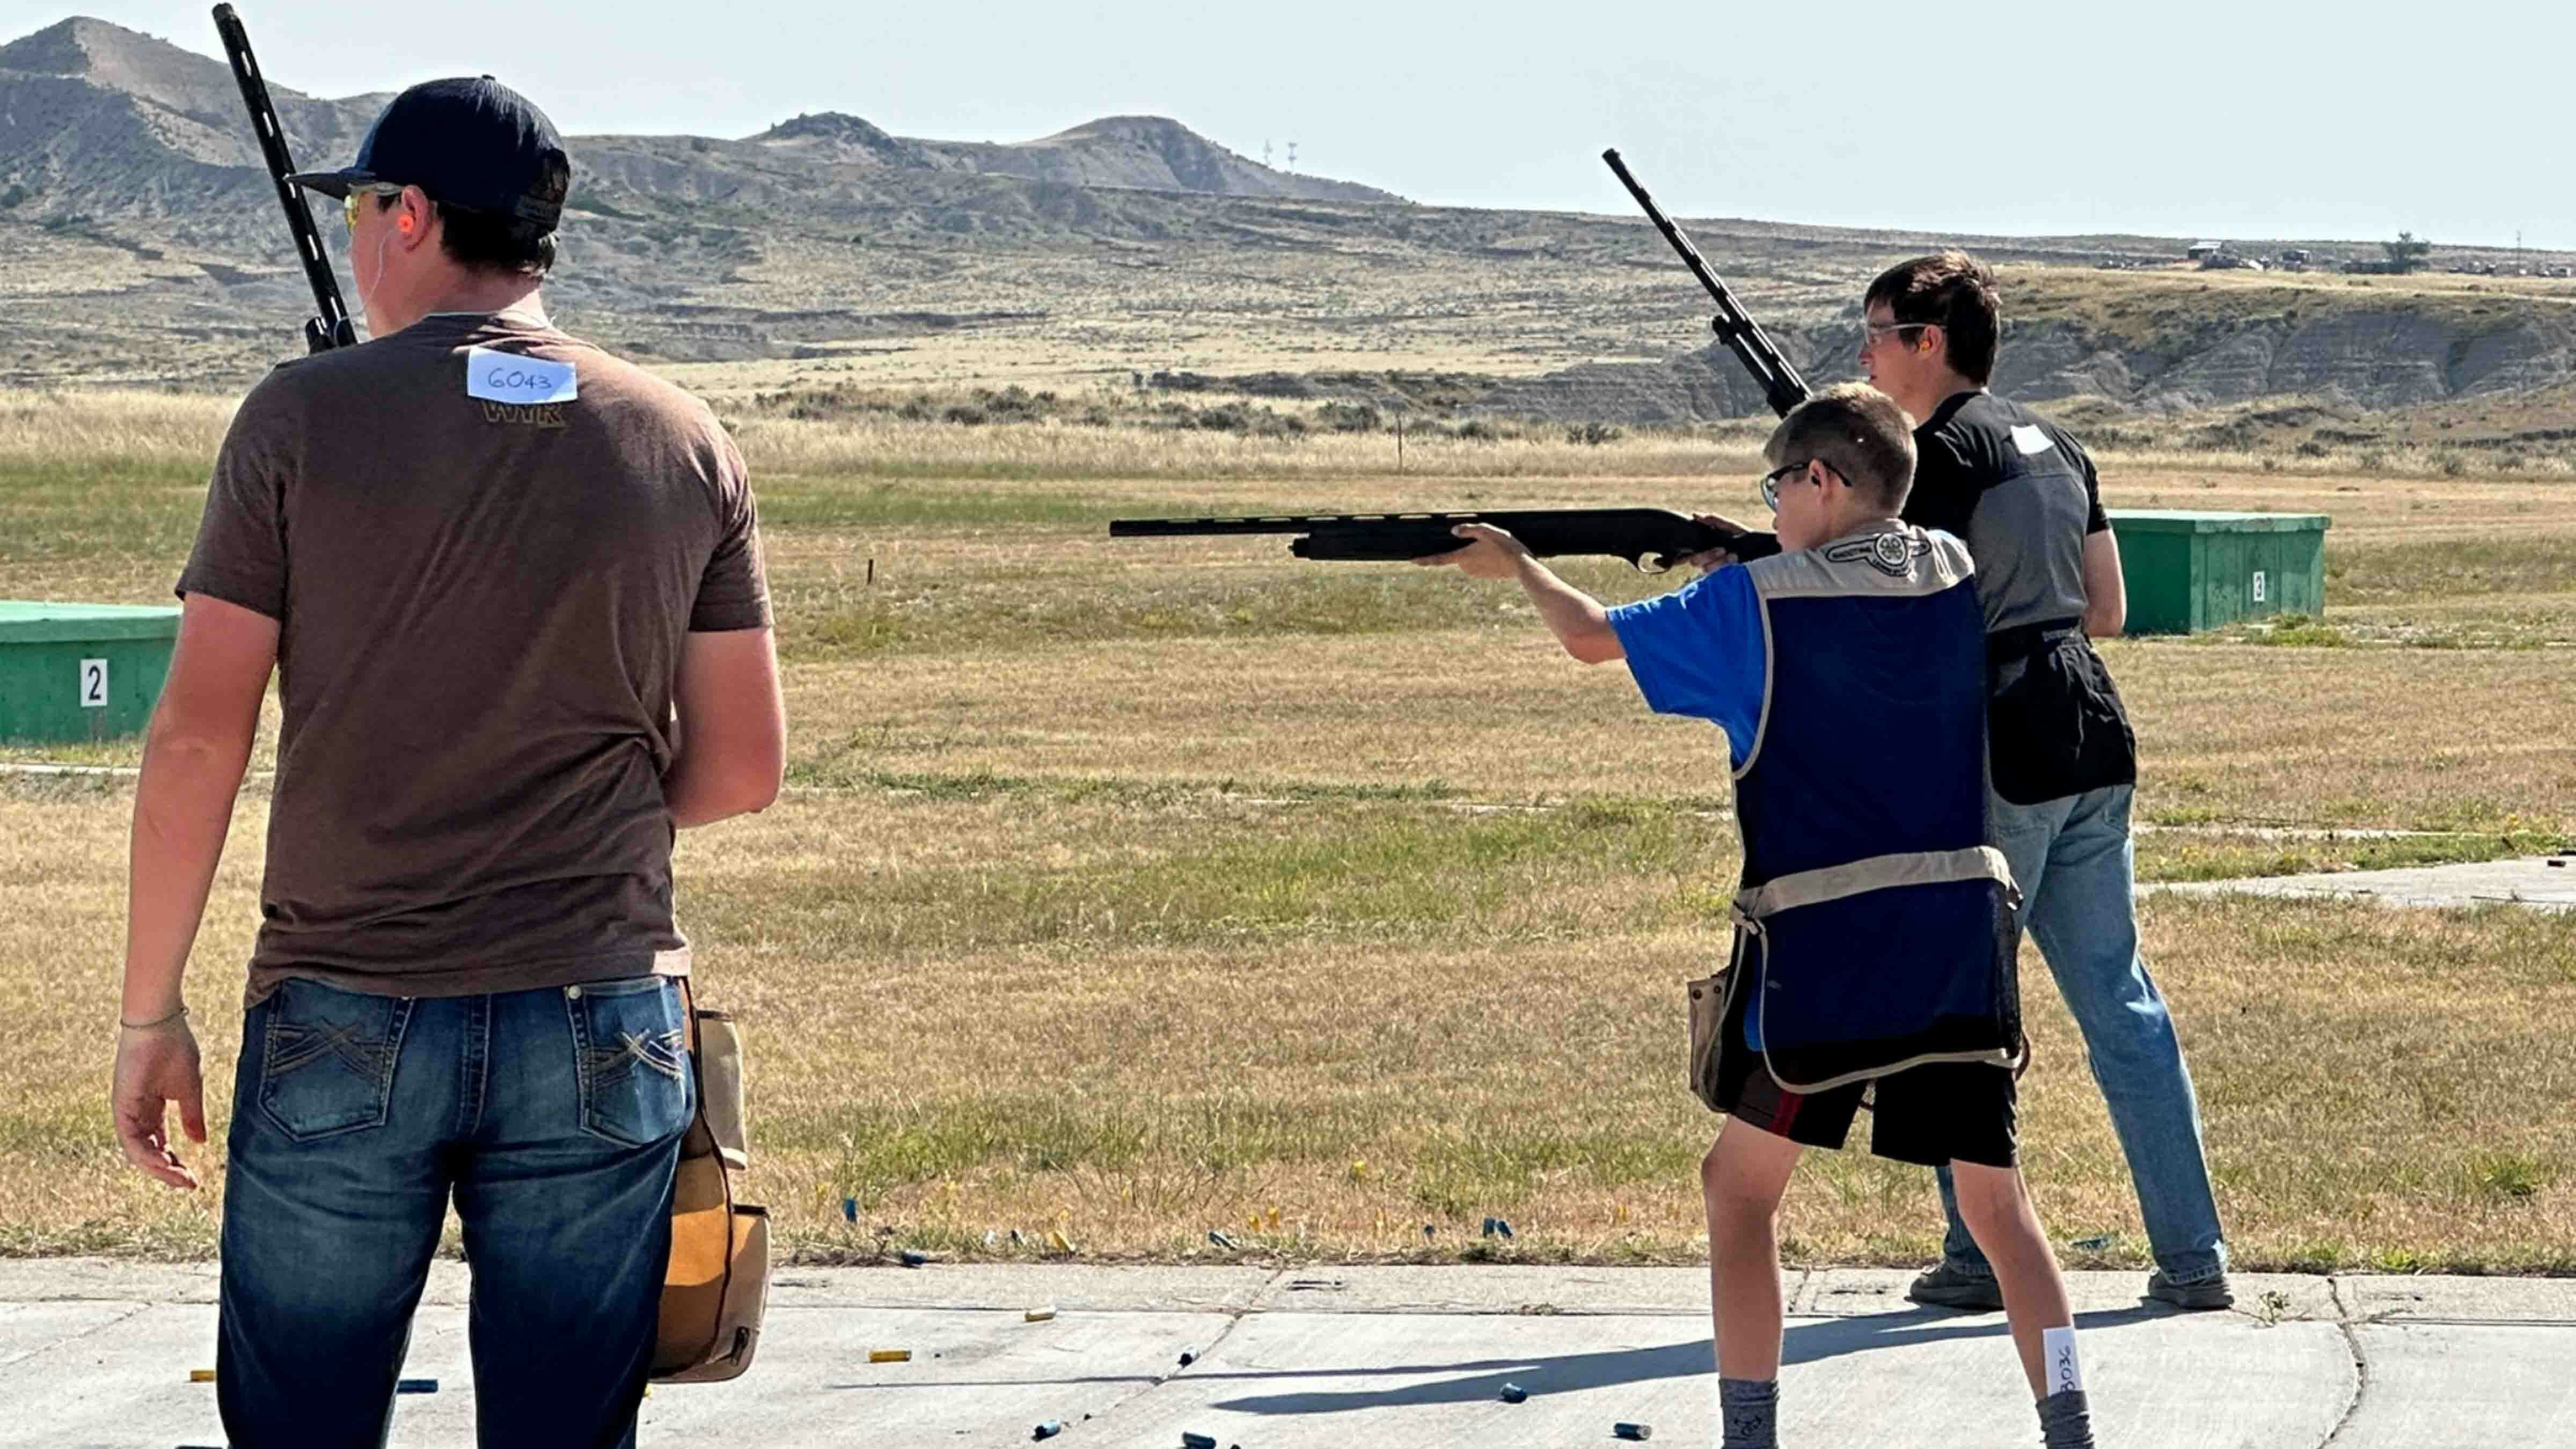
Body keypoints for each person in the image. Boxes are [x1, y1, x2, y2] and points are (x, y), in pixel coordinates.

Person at [107, 76, 784, 1448]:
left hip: (347, 1008)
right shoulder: (682, 437)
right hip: (602, 1010)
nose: (355, 239)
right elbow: (743, 768)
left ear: (410, 215)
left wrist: (149, 1012)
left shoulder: (296, 420)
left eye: (362, 207)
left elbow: (196, 735)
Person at [1422, 383, 2097, 1449]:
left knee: (1738, 1195)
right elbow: (1869, 565)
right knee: (2001, 1216)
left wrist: (1519, 567)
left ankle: (1751, 1439)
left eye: (1781, 485)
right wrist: (1758, 554)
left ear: (1822, 481)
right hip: (1958, 955)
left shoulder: (1751, 608)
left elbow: (1594, 638)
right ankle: (2071, 1427)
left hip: (1818, 966)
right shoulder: (1953, 572)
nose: (1774, 505)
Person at [1860, 251, 2230, 1312]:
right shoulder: (2060, 442)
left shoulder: (1933, 456)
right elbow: (2104, 607)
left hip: (1997, 745)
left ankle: (1979, 1257)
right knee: (2122, 1001)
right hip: (2090, 728)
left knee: (1957, 1012)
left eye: (1878, 330)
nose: (1867, 352)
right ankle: (2194, 1259)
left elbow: (1901, 610)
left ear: (1929, 342)